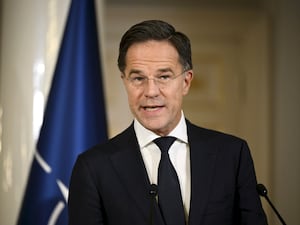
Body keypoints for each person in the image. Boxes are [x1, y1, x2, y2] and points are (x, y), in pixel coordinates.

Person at [68, 20, 268, 225]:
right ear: (125, 81)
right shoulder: (93, 167)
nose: (151, 91)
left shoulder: (232, 154)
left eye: (164, 76)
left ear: (186, 82)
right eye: (138, 78)